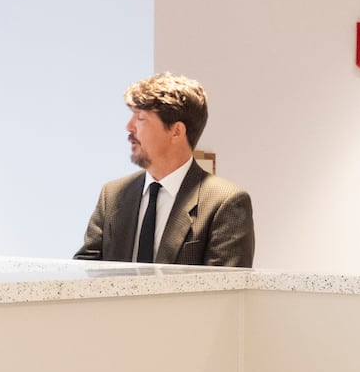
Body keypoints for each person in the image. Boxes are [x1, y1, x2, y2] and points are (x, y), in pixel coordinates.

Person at [75, 73, 255, 267]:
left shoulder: (225, 203)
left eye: (141, 118)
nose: (129, 127)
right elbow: (86, 272)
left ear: (176, 131)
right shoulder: (112, 195)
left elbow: (225, 293)